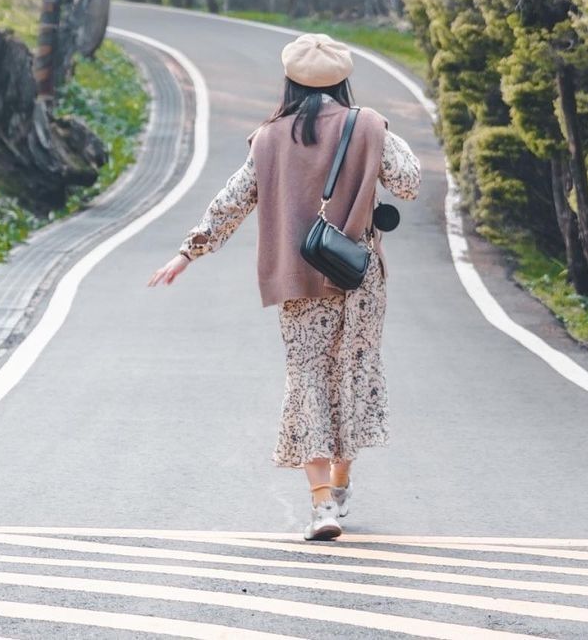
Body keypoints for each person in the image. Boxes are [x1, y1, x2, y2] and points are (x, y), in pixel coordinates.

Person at [148, 32, 421, 542]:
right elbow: (407, 182)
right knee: (353, 375)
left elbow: (231, 201)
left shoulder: (269, 138)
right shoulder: (367, 126)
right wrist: (380, 129)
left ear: (289, 82)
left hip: (298, 281)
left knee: (309, 381)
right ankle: (341, 483)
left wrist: (189, 252)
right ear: (344, 80)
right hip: (359, 280)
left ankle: (322, 506)